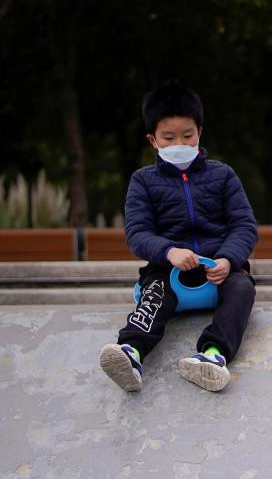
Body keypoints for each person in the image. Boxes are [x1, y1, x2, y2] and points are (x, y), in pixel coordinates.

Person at [99, 82, 258, 392]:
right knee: (154, 294)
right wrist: (169, 251)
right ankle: (130, 352)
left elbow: (244, 225)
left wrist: (229, 258)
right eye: (169, 138)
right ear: (153, 140)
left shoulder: (223, 175)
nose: (180, 142)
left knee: (242, 288)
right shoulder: (143, 181)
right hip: (167, 272)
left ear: (200, 132)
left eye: (188, 135)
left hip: (217, 274)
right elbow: (137, 232)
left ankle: (213, 357)